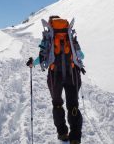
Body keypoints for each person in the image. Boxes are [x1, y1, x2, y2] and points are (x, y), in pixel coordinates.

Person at [26, 15, 85, 144]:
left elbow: (42, 57)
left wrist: (32, 63)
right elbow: (81, 55)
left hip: (55, 76)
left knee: (57, 104)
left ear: (50, 23)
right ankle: (75, 138)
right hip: (72, 74)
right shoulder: (69, 34)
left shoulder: (49, 36)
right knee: (73, 105)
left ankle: (63, 133)